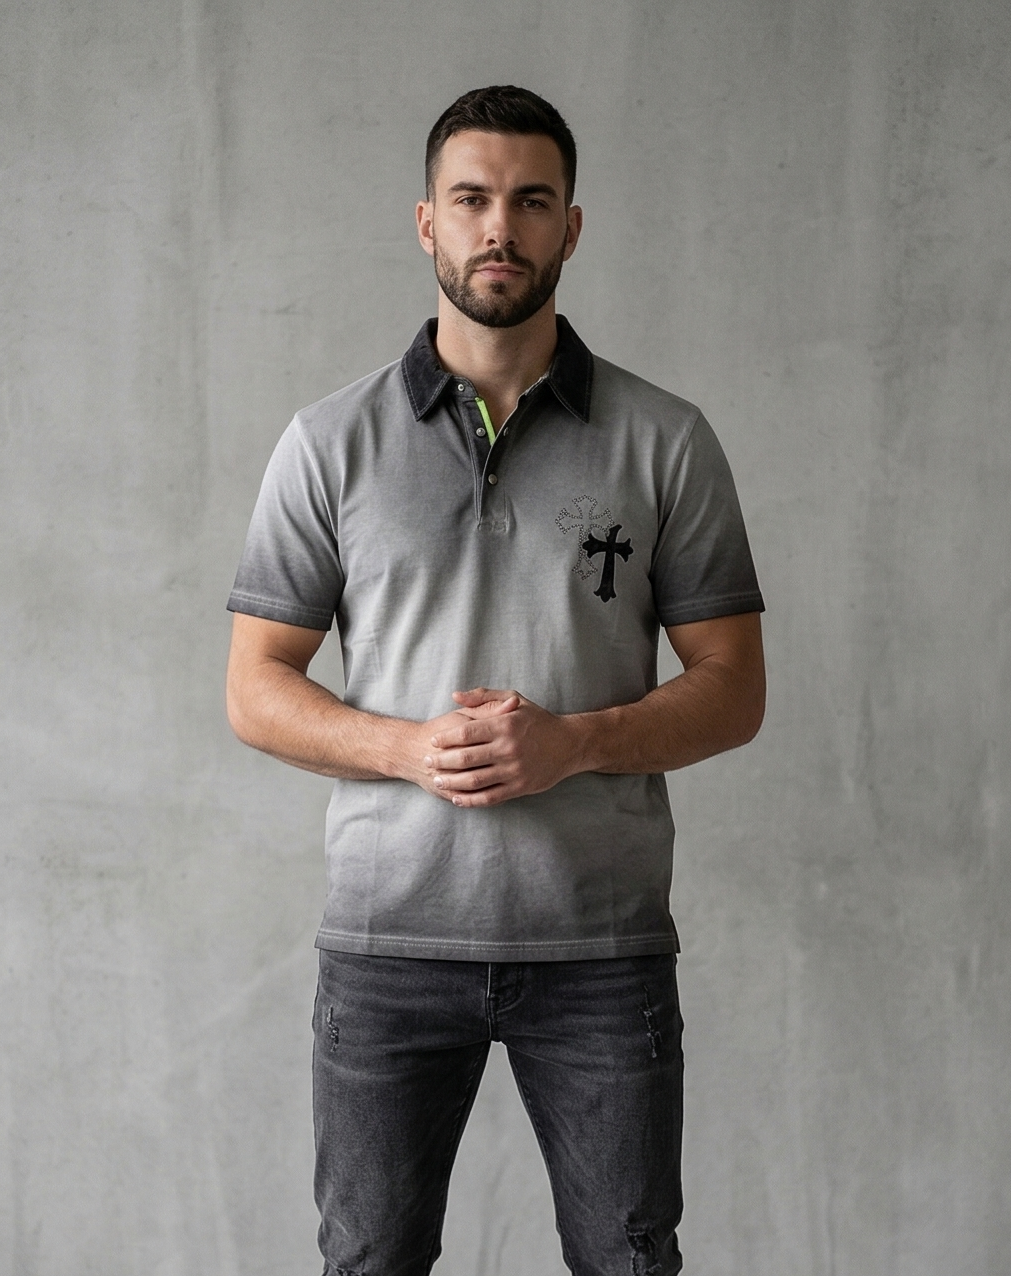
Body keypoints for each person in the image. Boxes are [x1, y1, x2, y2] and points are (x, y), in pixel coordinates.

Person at [226, 85, 765, 1276]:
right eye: (471, 199)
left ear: (572, 226)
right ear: (427, 221)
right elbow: (255, 685)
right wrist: (404, 748)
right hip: (386, 946)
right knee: (368, 1262)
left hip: (603, 948)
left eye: (530, 200)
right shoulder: (329, 443)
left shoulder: (666, 440)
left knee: (630, 1262)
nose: (499, 227)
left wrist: (574, 742)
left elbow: (734, 686)